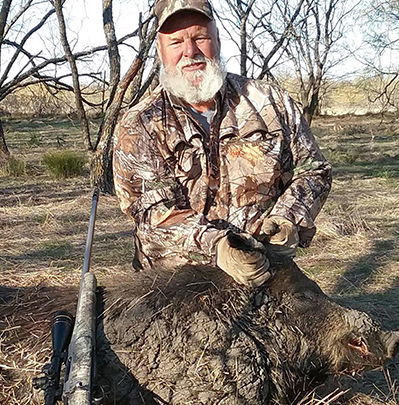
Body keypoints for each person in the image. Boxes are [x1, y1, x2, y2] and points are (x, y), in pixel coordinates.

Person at [112, 0, 332, 287]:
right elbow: (152, 212)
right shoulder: (140, 123)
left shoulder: (270, 101)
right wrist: (219, 246)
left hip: (266, 274)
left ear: (217, 38)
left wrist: (287, 218)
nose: (190, 52)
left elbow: (312, 170)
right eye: (176, 41)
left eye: (200, 37)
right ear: (159, 49)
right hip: (174, 288)